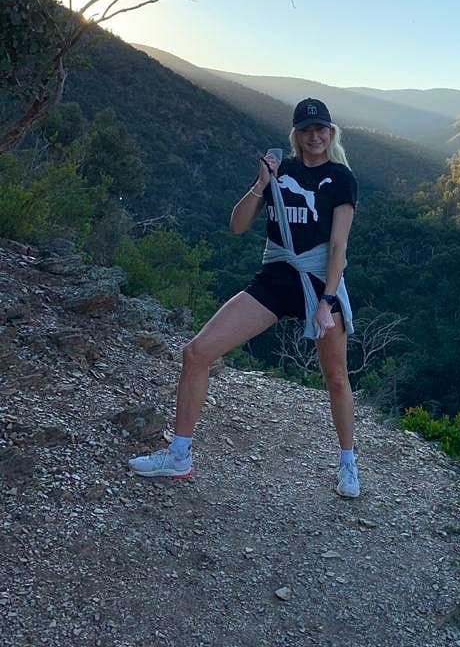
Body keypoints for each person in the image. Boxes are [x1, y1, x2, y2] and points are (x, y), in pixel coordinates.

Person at [128, 98, 361, 498]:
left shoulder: (341, 178)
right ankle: (179, 455)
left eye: (321, 129)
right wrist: (261, 184)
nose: (314, 136)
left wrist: (326, 301)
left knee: (337, 378)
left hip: (318, 283)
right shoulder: (279, 171)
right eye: (306, 130)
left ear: (331, 132)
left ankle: (348, 463)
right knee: (196, 353)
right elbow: (237, 226)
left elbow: (339, 246)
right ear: (296, 135)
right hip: (275, 280)